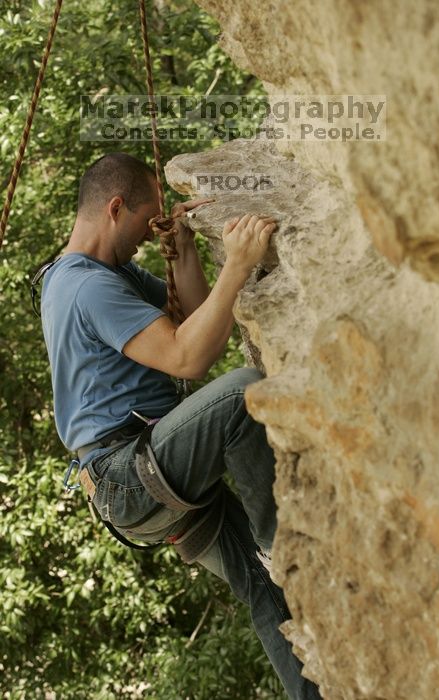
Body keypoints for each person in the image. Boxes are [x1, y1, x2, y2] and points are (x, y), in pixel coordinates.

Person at [40, 152, 322, 700]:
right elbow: (189, 360)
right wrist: (238, 266)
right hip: (130, 469)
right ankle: (279, 545)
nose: (149, 237)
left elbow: (194, 318)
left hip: (138, 478)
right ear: (115, 208)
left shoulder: (101, 274)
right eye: (146, 224)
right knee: (242, 391)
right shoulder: (87, 286)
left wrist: (185, 249)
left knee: (266, 593)